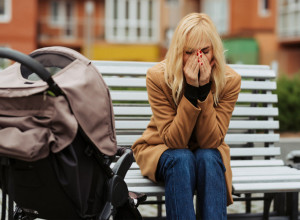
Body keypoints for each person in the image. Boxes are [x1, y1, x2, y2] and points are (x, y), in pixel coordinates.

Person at [131, 13, 241, 220]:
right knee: (181, 158)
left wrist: (204, 91)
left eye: (204, 51)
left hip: (206, 150)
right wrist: (190, 92)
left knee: (209, 157)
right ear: (178, 51)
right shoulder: (157, 77)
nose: (197, 60)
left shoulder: (230, 81)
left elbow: (211, 142)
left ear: (214, 51)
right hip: (161, 148)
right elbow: (175, 141)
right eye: (188, 52)